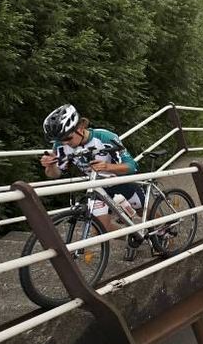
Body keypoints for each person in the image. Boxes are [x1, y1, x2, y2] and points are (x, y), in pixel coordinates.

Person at [40, 104, 144, 260]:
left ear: (80, 128)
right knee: (100, 228)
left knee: (147, 215)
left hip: (121, 182)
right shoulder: (60, 145)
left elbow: (131, 166)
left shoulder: (105, 137)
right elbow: (54, 174)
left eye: (68, 138)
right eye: (60, 140)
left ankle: (163, 230)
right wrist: (51, 165)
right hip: (97, 187)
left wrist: (107, 166)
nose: (65, 143)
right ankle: (133, 236)